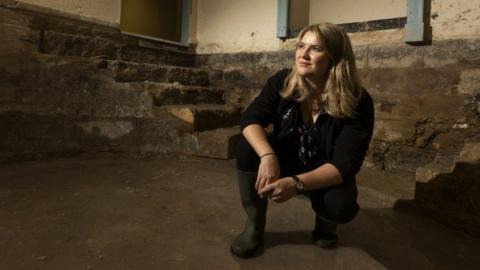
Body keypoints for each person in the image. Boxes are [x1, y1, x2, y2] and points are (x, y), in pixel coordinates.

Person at [230, 23, 375, 258]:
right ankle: (254, 226)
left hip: (324, 169)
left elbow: (345, 164)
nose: (303, 55)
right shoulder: (282, 81)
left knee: (340, 207)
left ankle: (326, 223)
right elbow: (250, 119)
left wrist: (296, 184)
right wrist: (268, 156)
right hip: (287, 157)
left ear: (334, 58)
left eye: (315, 49)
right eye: (300, 46)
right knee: (248, 147)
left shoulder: (357, 100)